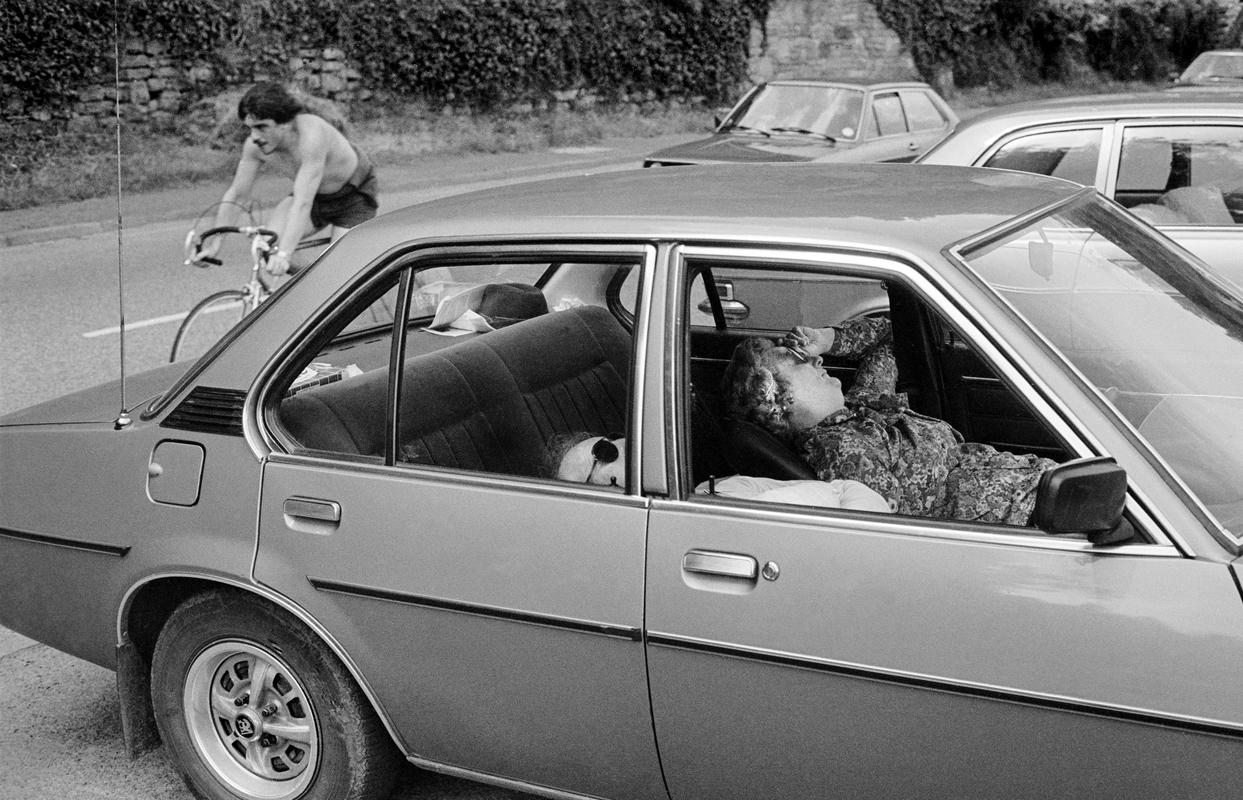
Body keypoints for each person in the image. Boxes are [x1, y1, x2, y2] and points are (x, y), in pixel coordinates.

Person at [721, 316, 1058, 525]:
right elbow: (896, 535)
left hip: (1041, 485)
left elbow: (893, 336)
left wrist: (829, 338)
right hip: (1029, 518)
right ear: (778, 402)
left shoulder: (862, 403)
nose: (817, 360)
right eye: (798, 362)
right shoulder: (842, 451)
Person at [196, 82, 378, 276]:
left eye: (262, 127)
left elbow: (302, 203)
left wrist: (284, 254)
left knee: (339, 273)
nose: (254, 136)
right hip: (315, 196)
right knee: (267, 246)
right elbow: (236, 194)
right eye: (250, 128)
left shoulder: (312, 135)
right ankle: (318, 290)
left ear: (286, 123)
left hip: (354, 197)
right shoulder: (254, 146)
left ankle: (338, 292)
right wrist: (216, 242)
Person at [544, 430, 892, 513]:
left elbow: (844, 490)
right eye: (602, 453)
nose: (621, 440)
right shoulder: (716, 504)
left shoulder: (717, 486)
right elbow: (854, 510)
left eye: (609, 441)